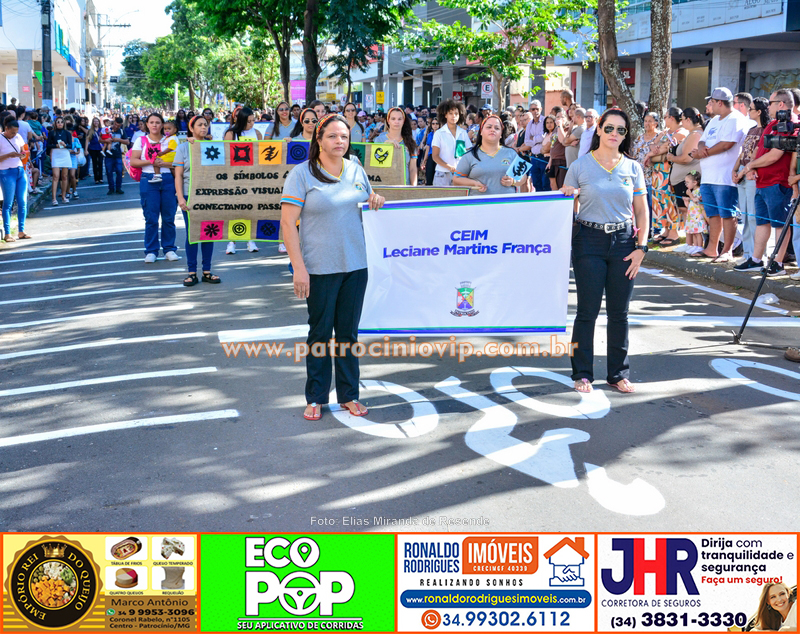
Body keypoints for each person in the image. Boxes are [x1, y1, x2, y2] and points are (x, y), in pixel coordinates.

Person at [279, 113, 385, 422]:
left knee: (348, 335)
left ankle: (349, 395)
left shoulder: (355, 169)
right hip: (319, 269)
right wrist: (299, 268)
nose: (340, 141)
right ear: (318, 140)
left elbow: (366, 202)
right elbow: (287, 223)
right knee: (320, 334)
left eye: (344, 136)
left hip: (356, 266)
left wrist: (375, 199)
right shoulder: (302, 174)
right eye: (333, 136)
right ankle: (315, 397)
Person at [560, 108, 650, 394]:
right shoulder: (580, 166)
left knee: (619, 313)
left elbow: (641, 210)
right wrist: (568, 196)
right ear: (598, 129)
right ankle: (582, 374)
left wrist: (641, 248)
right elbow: (567, 207)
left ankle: (617, 374)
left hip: (624, 242)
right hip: (589, 241)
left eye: (621, 130)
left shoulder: (633, 167)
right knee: (587, 312)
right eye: (609, 128)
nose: (614, 134)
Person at [739, 89, 796, 276]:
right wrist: (753, 167)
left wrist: (750, 166)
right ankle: (756, 259)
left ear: (781, 104)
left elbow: (776, 154)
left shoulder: (790, 125)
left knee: (780, 224)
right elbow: (760, 150)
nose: (767, 107)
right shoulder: (772, 123)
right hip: (762, 181)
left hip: (778, 182)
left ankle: (778, 263)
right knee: (761, 221)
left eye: (770, 103)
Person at [690, 87, 749, 261]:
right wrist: (701, 148)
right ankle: (712, 248)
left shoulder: (735, 119)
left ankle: (727, 251)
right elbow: (702, 140)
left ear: (719, 102)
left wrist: (702, 153)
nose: (709, 105)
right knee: (713, 214)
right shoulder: (714, 120)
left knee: (727, 214)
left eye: (711, 102)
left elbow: (727, 144)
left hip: (725, 177)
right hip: (708, 176)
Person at [173, 115, 220, 287]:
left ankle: (207, 271)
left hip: (209, 196)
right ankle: (191, 272)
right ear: (191, 128)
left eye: (205, 125)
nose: (203, 128)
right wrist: (180, 197)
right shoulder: (183, 148)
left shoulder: (213, 146)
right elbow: (177, 175)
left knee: (209, 232)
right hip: (189, 195)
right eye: (199, 125)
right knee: (192, 234)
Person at [130, 113, 180, 263]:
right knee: (151, 218)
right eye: (151, 122)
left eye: (158, 122)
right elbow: (133, 161)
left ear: (162, 125)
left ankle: (169, 249)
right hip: (148, 179)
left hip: (167, 179)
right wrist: (151, 162)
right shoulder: (141, 140)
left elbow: (179, 162)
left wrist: (163, 164)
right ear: (147, 125)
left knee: (168, 217)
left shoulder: (171, 140)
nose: (154, 125)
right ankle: (151, 250)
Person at [733, 97, 770, 271]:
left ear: (760, 111)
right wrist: (735, 170)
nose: (749, 111)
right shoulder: (752, 129)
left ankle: (757, 255)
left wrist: (742, 171)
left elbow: (756, 155)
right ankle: (748, 254)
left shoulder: (766, 130)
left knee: (754, 217)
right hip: (743, 173)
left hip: (753, 175)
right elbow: (743, 152)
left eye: (752, 108)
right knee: (746, 216)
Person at [645, 108, 687, 244]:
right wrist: (655, 149)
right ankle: (666, 229)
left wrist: (651, 154)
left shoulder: (681, 132)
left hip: (668, 170)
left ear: (672, 118)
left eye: (666, 117)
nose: (664, 119)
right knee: (660, 200)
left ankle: (674, 232)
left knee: (669, 200)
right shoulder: (665, 132)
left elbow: (664, 148)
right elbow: (653, 144)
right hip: (658, 171)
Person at [453, 114, 523, 195]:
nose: (492, 130)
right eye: (489, 127)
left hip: (506, 204)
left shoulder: (511, 153)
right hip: (479, 205)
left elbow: (523, 178)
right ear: (481, 131)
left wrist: (513, 181)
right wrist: (473, 183)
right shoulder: (469, 156)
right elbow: (456, 179)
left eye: (497, 128)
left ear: (501, 134)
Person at [223, 107, 261, 254]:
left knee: (250, 209)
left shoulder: (257, 133)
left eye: (253, 121)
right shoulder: (231, 133)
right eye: (249, 121)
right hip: (234, 177)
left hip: (252, 177)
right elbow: (226, 155)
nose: (252, 124)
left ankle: (250, 239)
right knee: (235, 210)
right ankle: (231, 242)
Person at [665, 107, 704, 242]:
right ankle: (690, 242)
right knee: (685, 211)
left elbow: (687, 158)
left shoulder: (695, 134)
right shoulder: (692, 133)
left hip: (686, 179)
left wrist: (671, 157)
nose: (681, 123)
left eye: (682, 120)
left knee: (689, 212)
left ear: (688, 119)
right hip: (682, 179)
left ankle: (693, 243)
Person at [0, 118, 30, 241]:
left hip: (19, 170)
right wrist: (9, 155)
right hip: (6, 172)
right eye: (12, 132)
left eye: (16, 132)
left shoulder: (18, 137)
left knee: (23, 202)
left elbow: (24, 150)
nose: (14, 135)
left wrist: (23, 154)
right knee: (8, 203)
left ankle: (21, 231)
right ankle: (7, 233)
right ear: (6, 128)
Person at [374, 107, 418, 186]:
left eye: (399, 119)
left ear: (403, 121)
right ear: (388, 120)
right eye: (393, 119)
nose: (396, 122)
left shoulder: (410, 143)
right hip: (384, 187)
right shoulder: (379, 140)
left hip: (404, 187)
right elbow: (375, 167)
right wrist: (385, 146)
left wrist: (413, 189)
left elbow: (412, 169)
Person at [431, 99, 471, 187]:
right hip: (442, 174)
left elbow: (468, 154)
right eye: (450, 113)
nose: (453, 116)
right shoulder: (439, 133)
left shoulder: (463, 133)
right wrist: (449, 167)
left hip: (460, 174)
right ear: (445, 115)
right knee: (441, 200)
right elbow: (435, 156)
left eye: (456, 114)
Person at [46, 115, 73, 206]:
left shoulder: (67, 133)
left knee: (65, 176)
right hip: (56, 154)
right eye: (58, 122)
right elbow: (48, 145)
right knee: (56, 176)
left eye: (61, 122)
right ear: (55, 123)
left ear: (64, 123)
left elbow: (70, 145)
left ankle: (64, 196)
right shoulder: (52, 133)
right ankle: (54, 198)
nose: (60, 123)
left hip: (65, 153)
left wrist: (65, 145)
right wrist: (56, 145)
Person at [522, 100, 547, 191]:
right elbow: (527, 141)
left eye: (537, 109)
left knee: (545, 183)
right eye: (533, 109)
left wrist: (533, 139)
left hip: (543, 157)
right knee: (536, 183)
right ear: (530, 110)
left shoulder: (545, 121)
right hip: (534, 158)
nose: (535, 111)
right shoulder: (529, 124)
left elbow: (543, 137)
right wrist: (537, 140)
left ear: (541, 109)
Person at [683, 171, 707, 253]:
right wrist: (687, 201)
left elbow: (696, 201)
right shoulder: (693, 192)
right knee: (693, 232)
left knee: (698, 232)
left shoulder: (699, 191)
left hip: (697, 215)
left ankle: (699, 246)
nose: (686, 184)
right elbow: (691, 204)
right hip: (692, 215)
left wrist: (690, 195)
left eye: (687, 182)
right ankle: (695, 246)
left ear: (695, 182)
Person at [104, 117, 129, 196]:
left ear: (121, 125)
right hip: (108, 155)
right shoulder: (107, 129)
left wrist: (118, 140)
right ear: (113, 122)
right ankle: (111, 188)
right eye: (115, 124)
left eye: (118, 125)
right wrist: (105, 141)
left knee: (119, 171)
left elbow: (127, 142)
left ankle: (118, 188)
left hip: (118, 154)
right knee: (109, 172)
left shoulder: (121, 131)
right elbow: (100, 140)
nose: (116, 126)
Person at [546, 108, 568, 190]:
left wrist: (560, 126)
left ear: (566, 118)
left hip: (562, 160)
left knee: (561, 184)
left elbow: (563, 140)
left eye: (562, 117)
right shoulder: (555, 129)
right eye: (557, 117)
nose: (559, 119)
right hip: (554, 160)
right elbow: (552, 145)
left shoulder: (566, 128)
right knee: (553, 184)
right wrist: (550, 161)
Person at [422, 117, 440, 186]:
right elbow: (428, 148)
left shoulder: (442, 134)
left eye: (436, 123)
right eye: (433, 124)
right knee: (429, 175)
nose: (435, 125)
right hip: (431, 156)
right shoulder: (430, 135)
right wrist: (424, 160)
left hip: (439, 156)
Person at [87, 117, 105, 184]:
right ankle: (96, 179)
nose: (96, 122)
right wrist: (86, 149)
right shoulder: (90, 130)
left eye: (97, 121)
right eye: (94, 121)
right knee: (95, 163)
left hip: (100, 148)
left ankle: (100, 178)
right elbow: (87, 140)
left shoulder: (102, 130)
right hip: (92, 148)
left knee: (100, 162)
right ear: (92, 122)